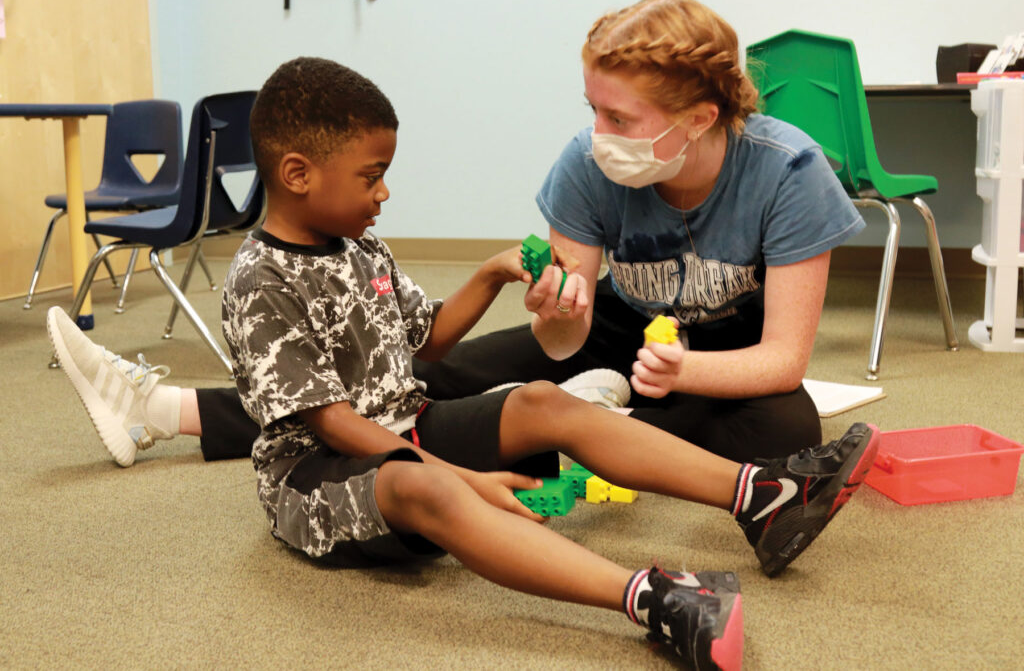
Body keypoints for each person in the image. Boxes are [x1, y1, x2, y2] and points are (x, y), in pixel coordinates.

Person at [48, 54, 880, 669]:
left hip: (407, 425)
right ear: (298, 174)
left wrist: (487, 274)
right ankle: (650, 596)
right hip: (318, 478)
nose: (384, 194)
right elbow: (330, 421)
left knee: (545, 400)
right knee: (427, 483)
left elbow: (425, 341)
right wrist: (466, 476)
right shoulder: (258, 280)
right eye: (372, 176)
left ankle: (761, 498)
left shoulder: (357, 244)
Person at [50, 0, 867, 467]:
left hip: (716, 366)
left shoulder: (787, 172)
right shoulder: (588, 165)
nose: (597, 132)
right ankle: (165, 408)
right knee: (408, 379)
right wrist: (560, 315)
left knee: (786, 425)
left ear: (699, 116)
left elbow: (782, 358)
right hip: (620, 337)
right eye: (591, 106)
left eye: (619, 115)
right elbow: (563, 338)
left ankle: (598, 429)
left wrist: (674, 376)